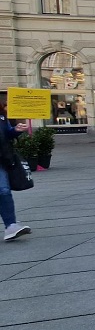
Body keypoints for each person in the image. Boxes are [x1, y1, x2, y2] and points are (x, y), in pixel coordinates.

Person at [0, 103, 32, 242]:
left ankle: (11, 226)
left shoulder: (1, 116)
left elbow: (6, 133)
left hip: (1, 159)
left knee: (4, 190)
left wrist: (15, 130)